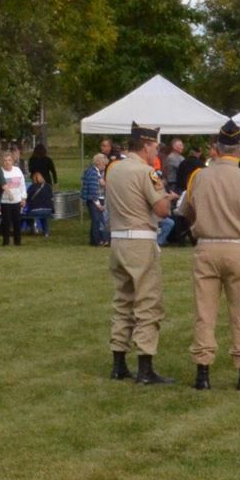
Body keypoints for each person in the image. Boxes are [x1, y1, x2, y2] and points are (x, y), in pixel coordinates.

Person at [178, 123, 240, 390]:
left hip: (207, 246)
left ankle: (203, 373)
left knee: (204, 312)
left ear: (217, 149)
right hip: (239, 247)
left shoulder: (199, 177)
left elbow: (185, 210)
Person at [105, 130, 171, 384]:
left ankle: (118, 361)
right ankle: (145, 366)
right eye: (155, 146)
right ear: (146, 145)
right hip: (140, 240)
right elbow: (161, 209)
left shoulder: (115, 169)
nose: (156, 151)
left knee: (122, 301)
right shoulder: (146, 172)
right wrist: (166, 196)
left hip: (118, 238)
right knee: (147, 302)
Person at [0, 151, 29, 247]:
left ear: (12, 161)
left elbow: (22, 185)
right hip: (4, 201)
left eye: (9, 160)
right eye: (5, 160)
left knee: (17, 221)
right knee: (6, 221)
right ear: (2, 162)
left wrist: (23, 197)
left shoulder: (17, 170)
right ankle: (6, 241)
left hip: (16, 200)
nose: (7, 162)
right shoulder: (0, 172)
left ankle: (17, 241)